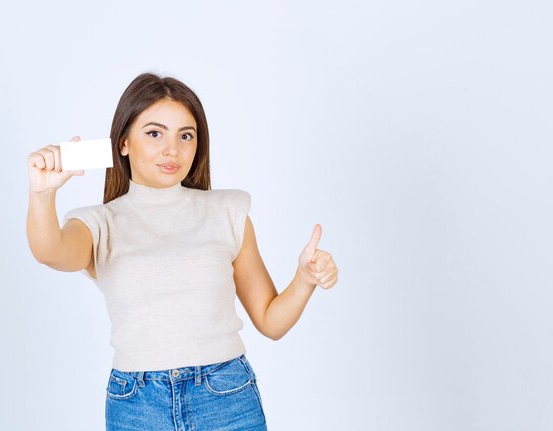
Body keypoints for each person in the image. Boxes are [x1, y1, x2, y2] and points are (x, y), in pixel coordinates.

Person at [26, 72, 338, 431]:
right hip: (137, 406)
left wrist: (305, 279)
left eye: (185, 135)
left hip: (226, 397)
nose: (171, 149)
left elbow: (270, 321)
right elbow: (51, 251)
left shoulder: (227, 212)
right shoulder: (99, 223)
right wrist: (42, 194)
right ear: (123, 142)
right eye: (155, 133)